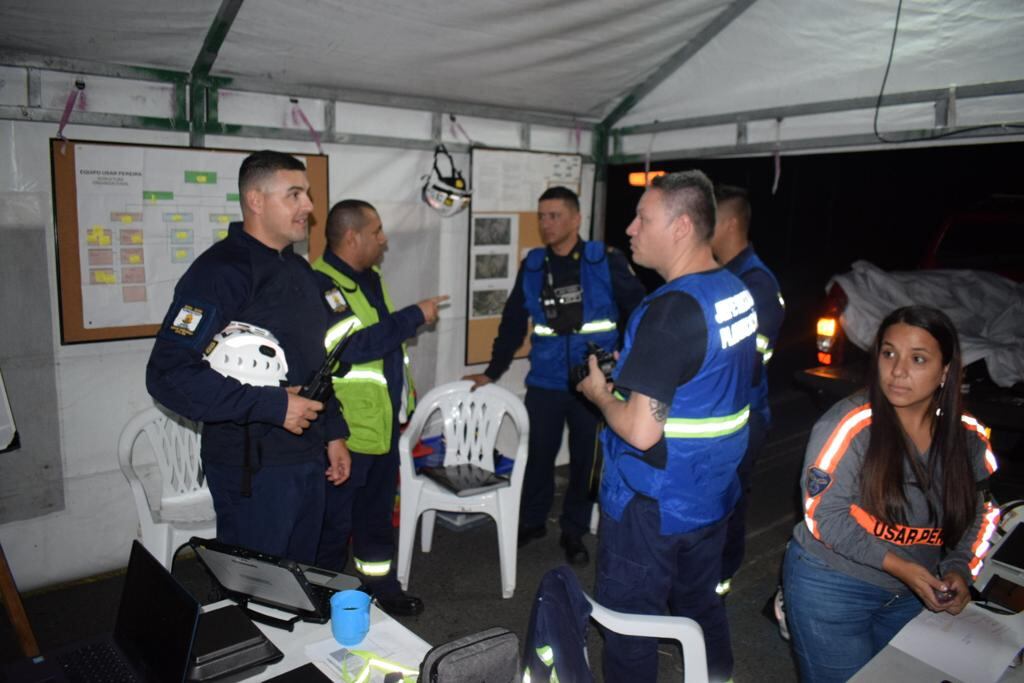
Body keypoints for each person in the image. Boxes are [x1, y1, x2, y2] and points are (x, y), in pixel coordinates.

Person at [577, 170, 757, 683]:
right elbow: (708, 379)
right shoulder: (732, 289)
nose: (630, 229)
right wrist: (645, 370)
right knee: (699, 605)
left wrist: (600, 393)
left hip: (651, 504)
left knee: (630, 626)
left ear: (680, 227)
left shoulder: (669, 311)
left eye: (642, 218)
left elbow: (639, 431)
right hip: (710, 493)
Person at [146, 150, 350, 564]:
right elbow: (167, 374)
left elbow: (314, 364)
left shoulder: (299, 273)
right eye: (294, 195)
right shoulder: (220, 273)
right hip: (253, 470)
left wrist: (333, 432)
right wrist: (274, 406)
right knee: (260, 589)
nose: (309, 207)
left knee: (302, 581)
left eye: (306, 194)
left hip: (307, 456)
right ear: (256, 201)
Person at [784, 305, 999, 682]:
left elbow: (984, 512)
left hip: (914, 593)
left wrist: (961, 569)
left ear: (946, 372)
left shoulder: (970, 438)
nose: (898, 371)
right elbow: (824, 515)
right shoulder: (850, 422)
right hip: (833, 584)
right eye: (888, 354)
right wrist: (903, 568)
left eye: (918, 358)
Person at [464, 186, 644, 567]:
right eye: (541, 216)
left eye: (554, 216)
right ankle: (532, 522)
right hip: (545, 382)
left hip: (592, 386)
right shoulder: (532, 266)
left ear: (576, 219)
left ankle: (574, 530)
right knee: (537, 457)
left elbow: (638, 312)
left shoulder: (603, 260)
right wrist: (492, 372)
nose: (546, 223)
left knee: (585, 461)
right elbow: (512, 322)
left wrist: (624, 367)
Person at [312, 199, 446, 616]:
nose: (384, 239)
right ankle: (326, 597)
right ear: (352, 237)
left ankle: (382, 588)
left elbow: (382, 347)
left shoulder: (369, 278)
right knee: (335, 524)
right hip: (346, 432)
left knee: (375, 518)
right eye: (377, 231)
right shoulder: (323, 284)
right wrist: (413, 316)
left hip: (382, 427)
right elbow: (351, 348)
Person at [710, 184, 785, 596]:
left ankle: (717, 588)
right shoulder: (724, 276)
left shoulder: (755, 284)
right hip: (722, 414)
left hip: (742, 417)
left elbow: (745, 364)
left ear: (731, 223)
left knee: (729, 503)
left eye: (710, 219)